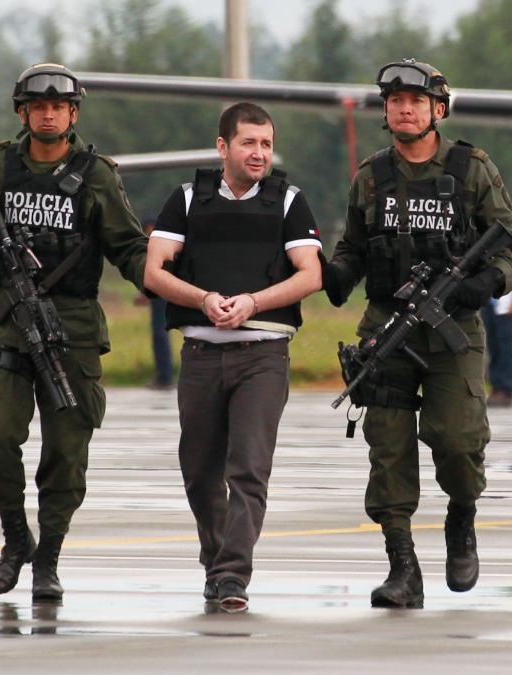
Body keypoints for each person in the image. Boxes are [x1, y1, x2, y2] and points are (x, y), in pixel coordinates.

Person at [321, 59, 512, 609]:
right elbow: (353, 247)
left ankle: (462, 516)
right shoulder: (371, 176)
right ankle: (403, 569)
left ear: (438, 109)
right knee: (388, 451)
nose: (404, 109)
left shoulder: (471, 169)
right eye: (395, 101)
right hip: (387, 329)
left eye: (415, 101)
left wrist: (486, 282)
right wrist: (333, 274)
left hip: (452, 329)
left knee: (459, 442)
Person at [0, 63, 148, 601]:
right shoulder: (1, 166)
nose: (48, 115)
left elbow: (128, 246)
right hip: (6, 325)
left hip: (71, 330)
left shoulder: (97, 175)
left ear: (73, 114)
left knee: (66, 452)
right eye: (38, 107)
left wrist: (168, 281)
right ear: (22, 113)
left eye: (58, 107)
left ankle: (48, 559)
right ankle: (15, 539)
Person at [144, 102, 322, 612]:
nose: (259, 153)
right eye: (249, 143)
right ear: (223, 147)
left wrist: (253, 303)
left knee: (248, 469)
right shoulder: (186, 199)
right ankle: (215, 562)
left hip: (263, 355)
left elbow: (310, 274)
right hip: (201, 354)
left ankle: (232, 576)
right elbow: (154, 272)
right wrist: (203, 299)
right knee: (201, 471)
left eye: (266, 144)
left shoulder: (289, 201)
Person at [134, 214, 175, 389]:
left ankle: (165, 377)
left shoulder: (164, 245)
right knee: (159, 334)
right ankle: (163, 375)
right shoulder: (154, 245)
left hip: (163, 295)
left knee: (160, 333)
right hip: (158, 295)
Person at [482, 273, 512, 407]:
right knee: (493, 349)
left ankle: (507, 390)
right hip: (489, 306)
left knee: (506, 350)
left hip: (507, 308)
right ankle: (496, 387)